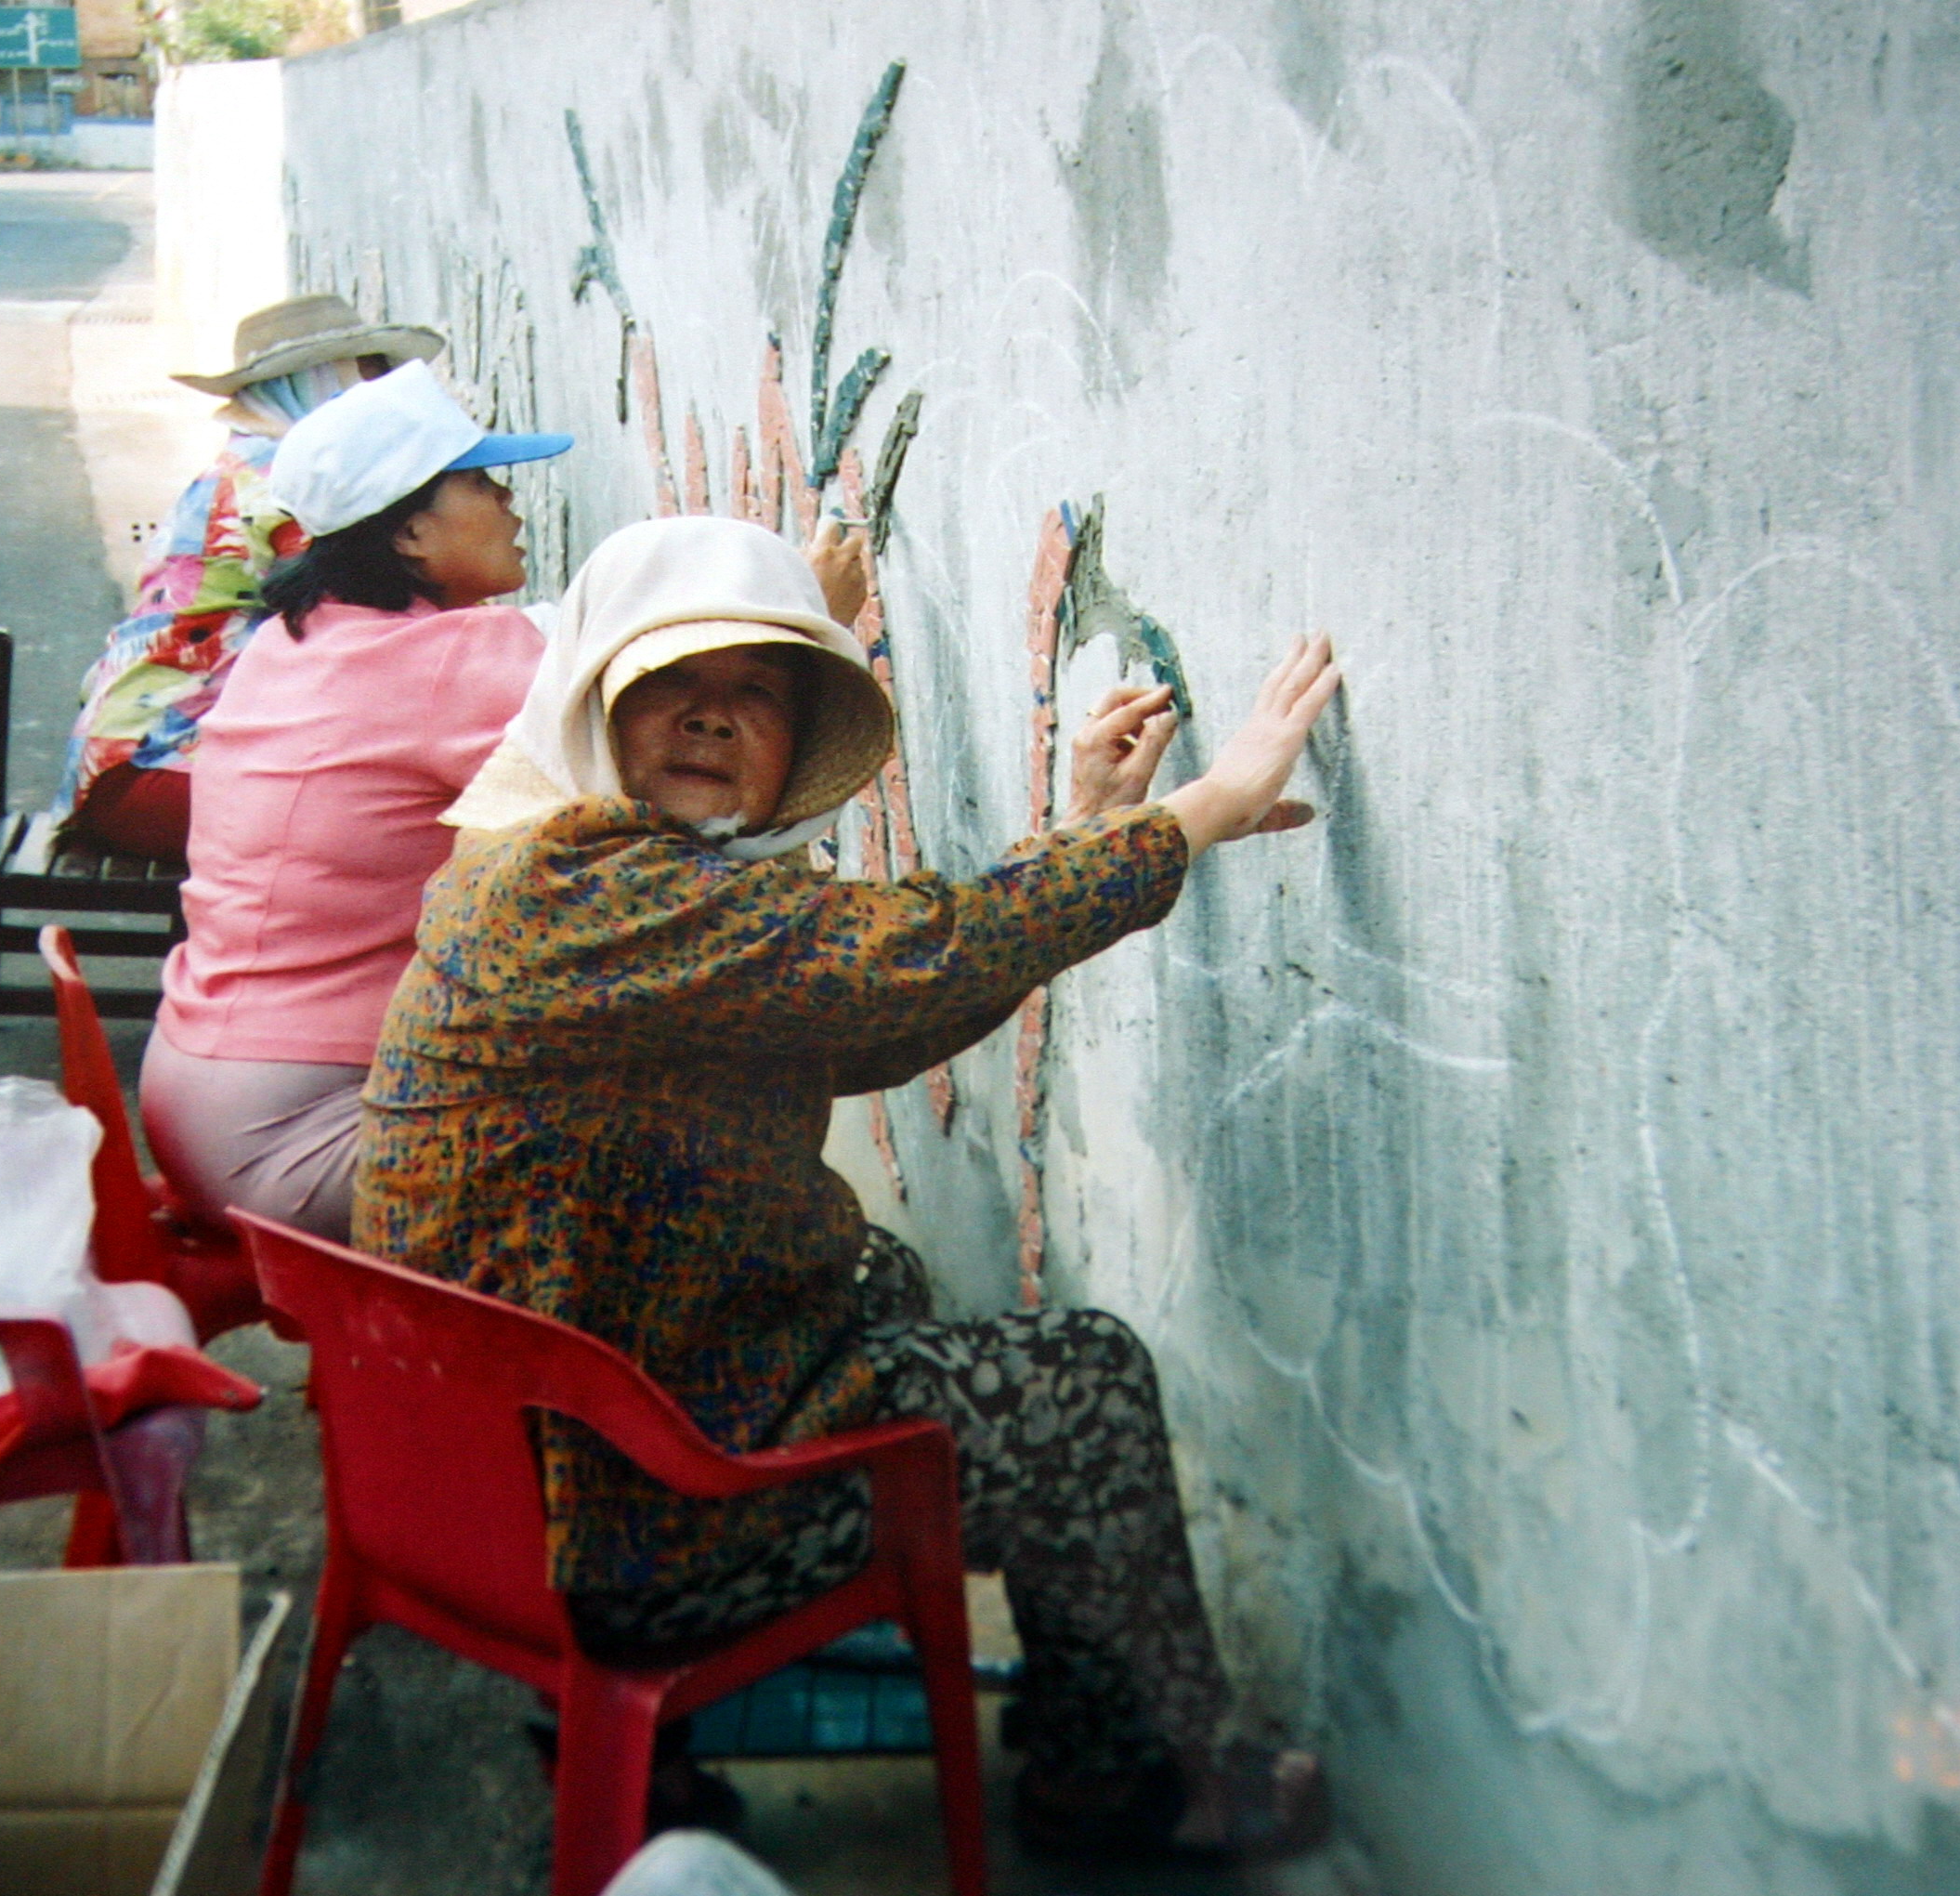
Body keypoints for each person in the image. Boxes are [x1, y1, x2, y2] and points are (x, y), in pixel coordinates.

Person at [349, 515, 1344, 1859]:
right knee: (1080, 1382)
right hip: (613, 1518)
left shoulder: (569, 874)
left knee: (875, 1275)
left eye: (754, 693)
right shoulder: (582, 889)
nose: (710, 719)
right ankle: (1136, 1781)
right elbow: (912, 957)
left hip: (515, 1477)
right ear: (594, 705)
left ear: (791, 742)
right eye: (670, 687)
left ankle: (681, 1750)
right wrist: (1194, 816)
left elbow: (868, 1016)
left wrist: (1088, 834)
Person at [134, 360, 573, 1235]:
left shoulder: (293, 639)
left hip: (192, 1093)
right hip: (298, 1135)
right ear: (410, 533)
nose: (512, 506)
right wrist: (791, 613)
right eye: (484, 482)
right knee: (651, 1143)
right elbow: (631, 720)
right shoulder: (449, 657)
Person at [51, 295, 445, 860]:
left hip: (147, 760)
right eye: (366, 375)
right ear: (313, 386)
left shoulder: (263, 464)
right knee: (384, 829)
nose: (383, 395)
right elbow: (379, 608)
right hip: (157, 769)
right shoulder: (278, 482)